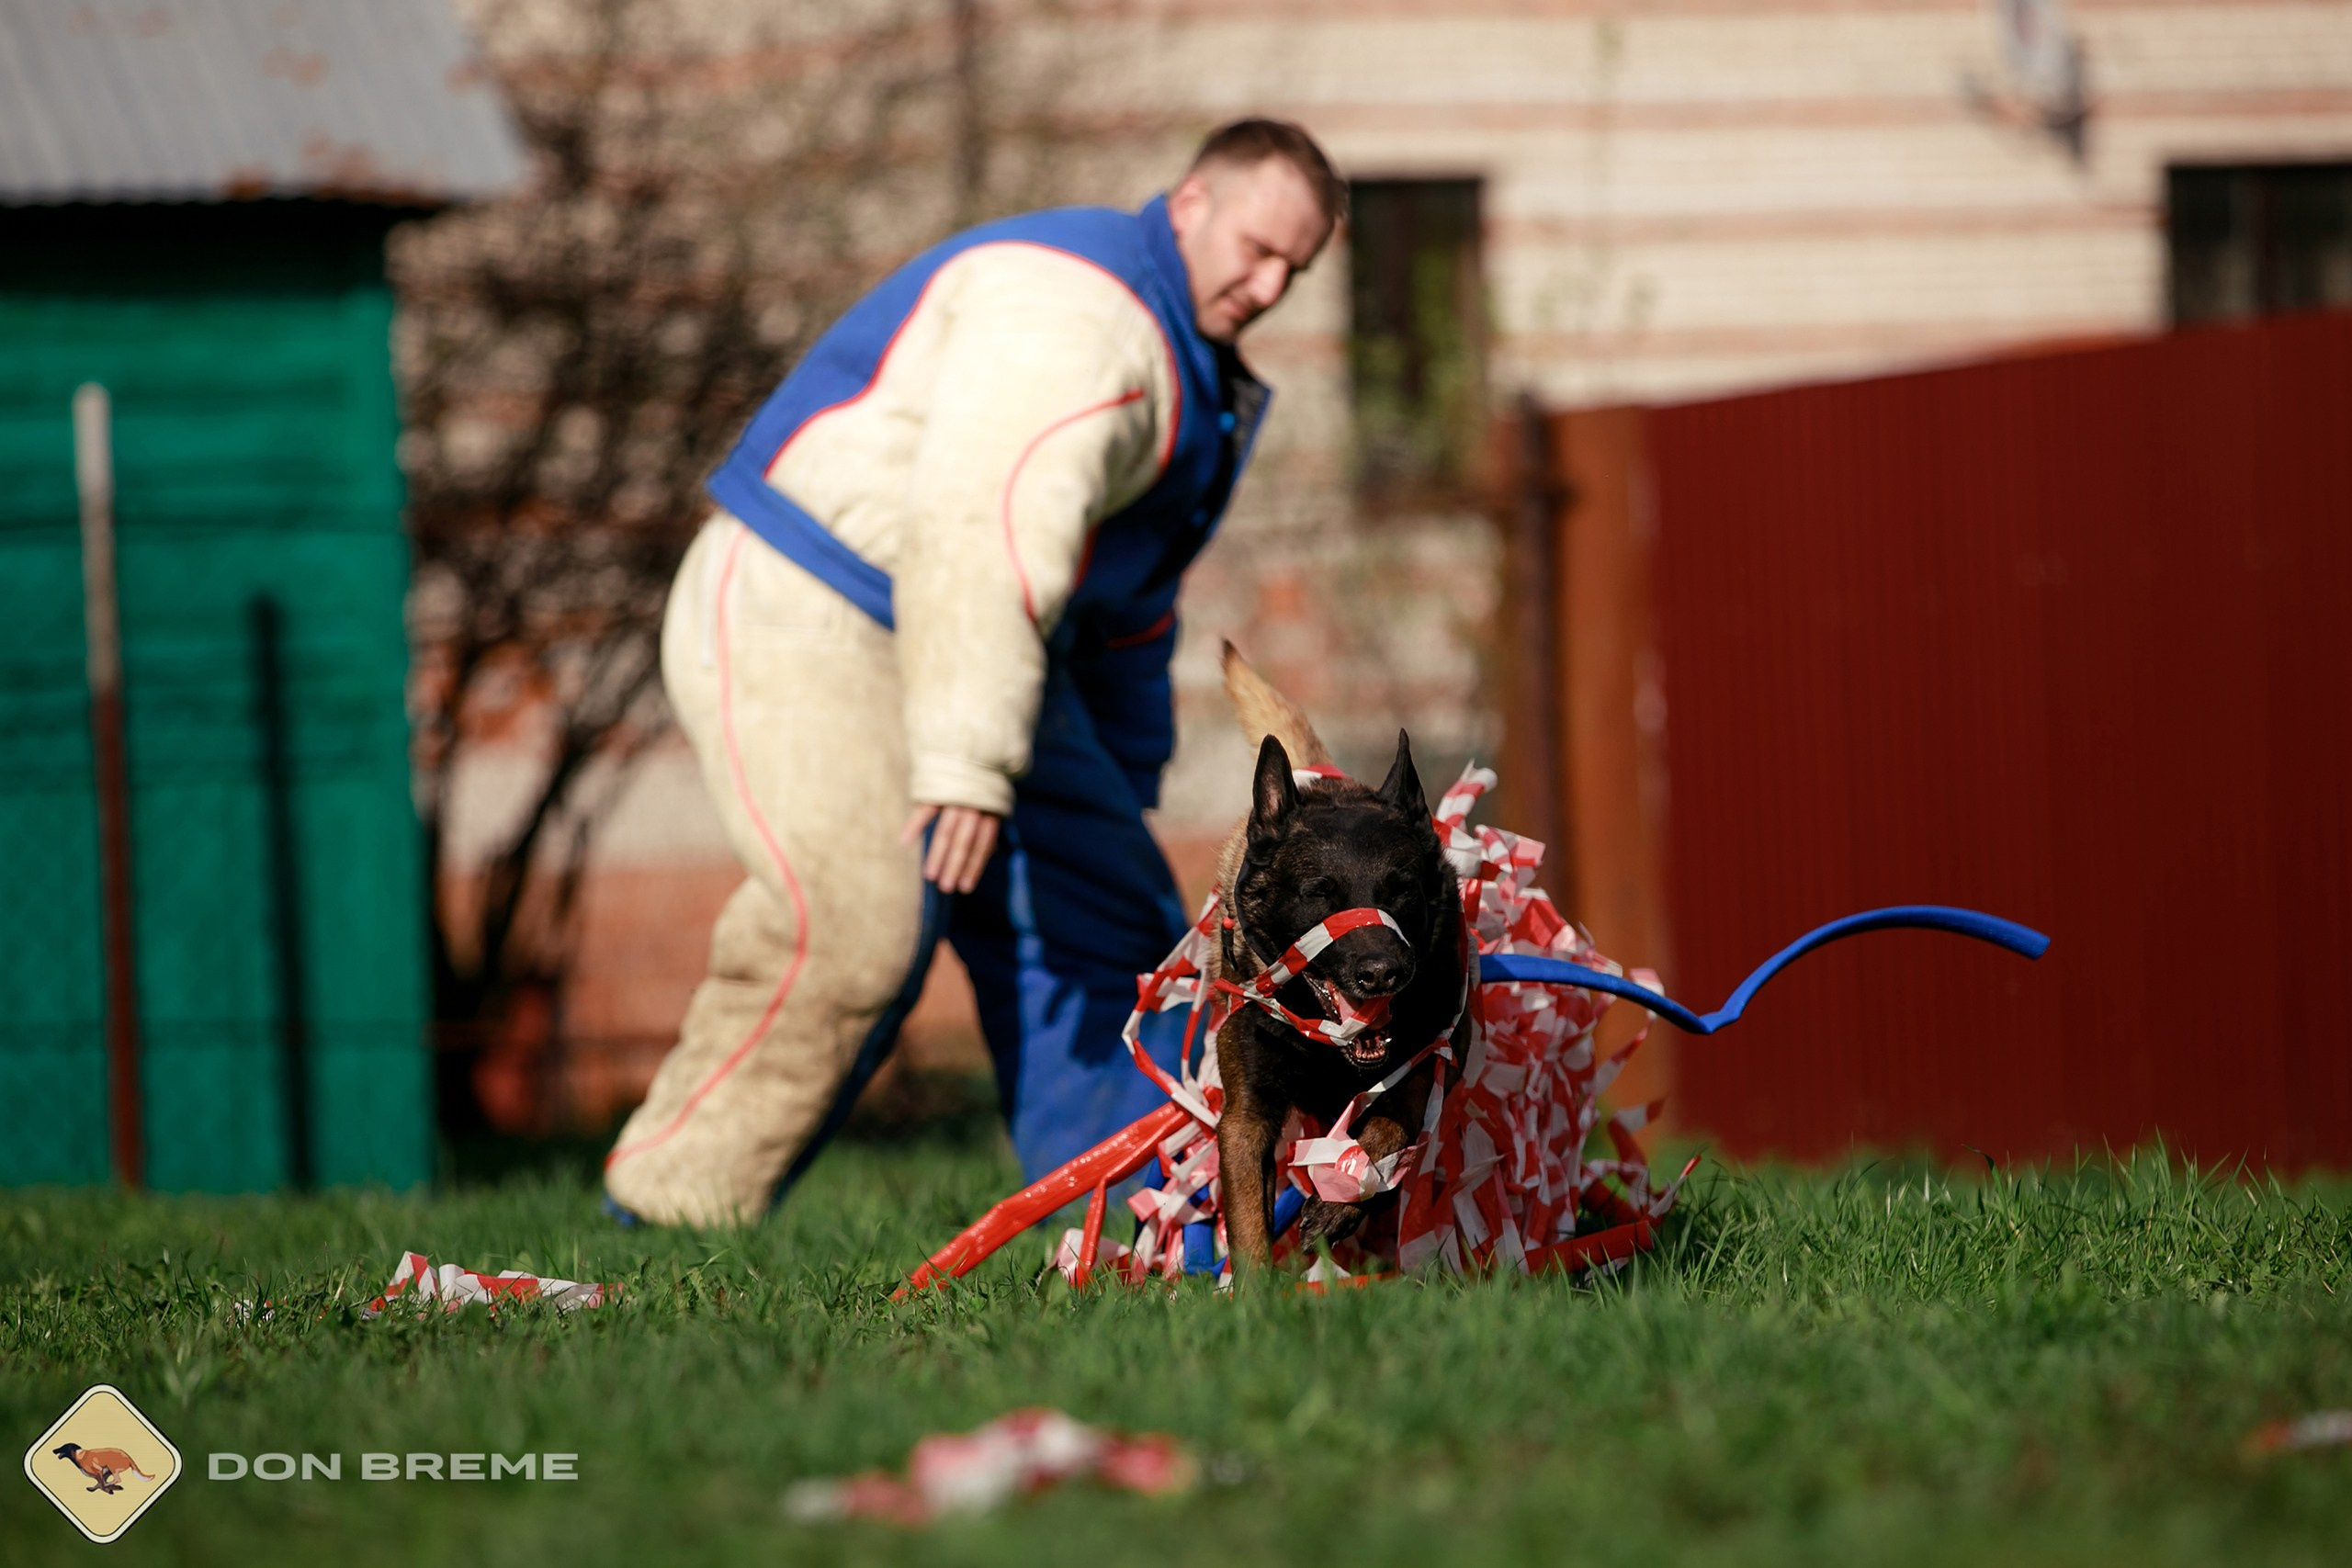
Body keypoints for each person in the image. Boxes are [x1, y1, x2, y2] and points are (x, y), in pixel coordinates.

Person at [603, 118, 1344, 1225]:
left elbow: (1127, 612)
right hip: (810, 593)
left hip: (981, 643)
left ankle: (1143, 1222)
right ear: (1189, 201)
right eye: (1254, 245)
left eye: (1296, 265)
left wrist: (1120, 785)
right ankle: (663, 1223)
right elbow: (981, 524)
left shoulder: (1192, 374)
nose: (1269, 281)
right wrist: (963, 757)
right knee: (856, 932)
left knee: (1120, 924)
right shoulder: (1082, 317)